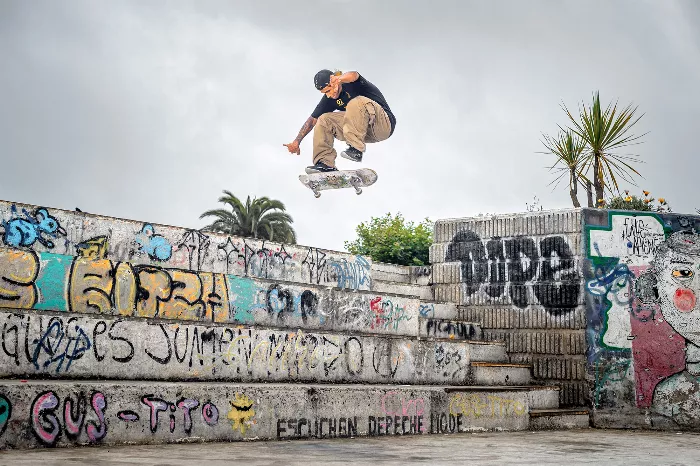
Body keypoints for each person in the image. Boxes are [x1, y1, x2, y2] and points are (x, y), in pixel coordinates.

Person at [284, 69, 396, 173]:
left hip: (383, 124)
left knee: (356, 102)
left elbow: (354, 75)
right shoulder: (329, 99)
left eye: (330, 89)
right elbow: (312, 120)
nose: (330, 94)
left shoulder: (351, 83)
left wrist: (340, 79)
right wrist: (296, 142)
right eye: (325, 93)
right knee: (324, 119)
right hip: (366, 132)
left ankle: (356, 150)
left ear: (335, 81)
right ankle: (325, 164)